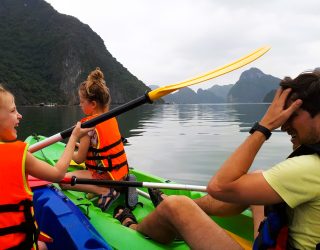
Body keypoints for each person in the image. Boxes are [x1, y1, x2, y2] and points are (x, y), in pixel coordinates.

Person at [113, 69, 320, 249]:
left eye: (292, 114)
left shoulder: (309, 168)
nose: (283, 126)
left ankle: (133, 226)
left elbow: (219, 186)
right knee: (256, 181)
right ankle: (188, 209)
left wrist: (264, 126)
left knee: (176, 207)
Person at [0, 85, 93, 249]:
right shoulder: (19, 154)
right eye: (13, 110)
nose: (20, 115)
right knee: (42, 246)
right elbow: (58, 174)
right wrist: (74, 138)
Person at [60, 67, 130, 211]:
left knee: (62, 181)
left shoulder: (88, 126)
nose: (80, 105)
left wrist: (68, 152)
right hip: (121, 173)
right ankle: (116, 185)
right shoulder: (111, 118)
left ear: (93, 104)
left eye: (81, 101)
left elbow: (79, 159)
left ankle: (105, 191)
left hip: (106, 177)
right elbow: (98, 146)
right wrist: (81, 146)